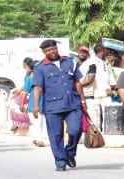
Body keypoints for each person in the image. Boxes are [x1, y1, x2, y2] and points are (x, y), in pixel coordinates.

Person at [33, 39, 87, 171]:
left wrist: (83, 100)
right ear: (44, 52)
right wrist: (36, 105)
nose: (51, 52)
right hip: (52, 106)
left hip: (73, 103)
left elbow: (77, 82)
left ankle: (70, 153)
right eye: (47, 50)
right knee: (56, 135)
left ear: (56, 48)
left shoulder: (70, 62)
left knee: (76, 130)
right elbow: (38, 87)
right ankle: (60, 161)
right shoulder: (40, 67)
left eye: (52, 49)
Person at [20, 58, 47, 147]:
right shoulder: (30, 78)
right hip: (34, 104)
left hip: (43, 104)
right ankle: (38, 139)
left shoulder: (43, 77)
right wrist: (22, 103)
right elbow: (25, 92)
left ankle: (37, 138)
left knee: (39, 122)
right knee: (36, 122)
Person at [92, 44, 116, 130]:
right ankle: (96, 133)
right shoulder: (91, 62)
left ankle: (108, 130)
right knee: (96, 114)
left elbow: (110, 77)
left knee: (108, 112)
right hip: (94, 92)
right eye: (105, 50)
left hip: (106, 92)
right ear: (102, 51)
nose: (107, 52)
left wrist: (111, 87)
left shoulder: (106, 63)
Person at [77, 46, 101, 128]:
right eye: (80, 52)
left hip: (88, 97)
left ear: (87, 54)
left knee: (93, 123)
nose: (82, 54)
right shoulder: (76, 64)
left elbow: (90, 79)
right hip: (77, 97)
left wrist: (77, 85)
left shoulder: (91, 64)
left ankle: (94, 141)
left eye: (84, 52)